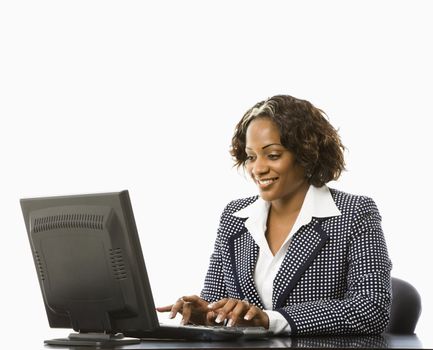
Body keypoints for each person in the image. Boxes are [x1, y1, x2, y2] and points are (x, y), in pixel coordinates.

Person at [157, 95, 392, 335]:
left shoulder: (354, 213)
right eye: (251, 156)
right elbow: (218, 305)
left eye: (273, 155)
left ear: (306, 155)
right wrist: (204, 314)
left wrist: (269, 320)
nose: (257, 169)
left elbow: (371, 309)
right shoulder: (235, 216)